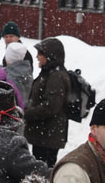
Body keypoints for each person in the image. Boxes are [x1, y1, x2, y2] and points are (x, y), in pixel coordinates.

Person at [23, 38, 71, 166]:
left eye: (40, 53)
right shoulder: (48, 73)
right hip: (43, 135)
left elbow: (51, 107)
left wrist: (27, 113)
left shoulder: (56, 76)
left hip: (48, 136)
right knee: (40, 168)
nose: (37, 57)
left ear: (50, 56)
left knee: (43, 170)